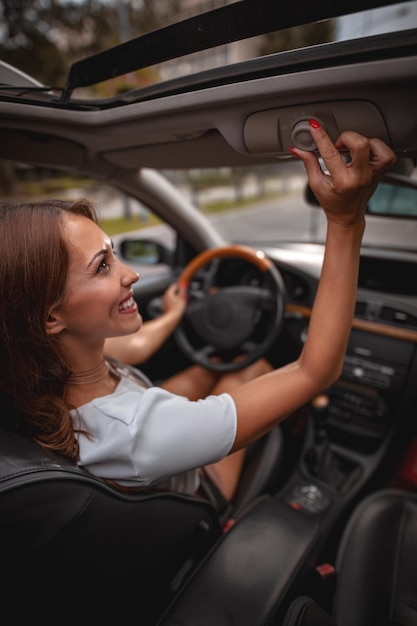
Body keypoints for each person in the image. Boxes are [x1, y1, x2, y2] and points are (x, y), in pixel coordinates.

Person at [0, 122, 396, 505]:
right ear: (51, 318)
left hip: (149, 446)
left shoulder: (44, 373)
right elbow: (314, 371)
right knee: (247, 370)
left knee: (209, 367)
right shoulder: (140, 432)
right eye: (102, 266)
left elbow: (134, 349)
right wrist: (345, 220)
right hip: (200, 492)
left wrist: (174, 314)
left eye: (116, 254)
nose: (132, 274)